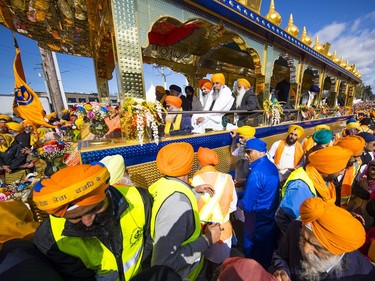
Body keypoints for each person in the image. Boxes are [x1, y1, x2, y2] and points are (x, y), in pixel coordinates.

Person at [32, 163, 153, 281]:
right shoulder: (49, 237)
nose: (88, 222)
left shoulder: (139, 198)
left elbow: (148, 245)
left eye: (95, 209)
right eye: (75, 218)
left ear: (106, 194)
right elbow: (78, 276)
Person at [148, 142, 222, 280]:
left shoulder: (165, 184)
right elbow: (164, 264)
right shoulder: (177, 204)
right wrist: (207, 240)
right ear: (188, 165)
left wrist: (193, 191)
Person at [270, 197, 375, 281]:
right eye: (304, 238)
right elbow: (280, 256)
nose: (305, 249)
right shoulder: (295, 229)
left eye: (317, 247)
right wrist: (280, 270)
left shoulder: (363, 274)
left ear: (338, 251)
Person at [275, 146, 353, 234]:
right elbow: (282, 218)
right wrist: (302, 241)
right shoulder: (301, 187)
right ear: (328, 169)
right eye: (341, 169)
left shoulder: (324, 180)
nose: (342, 173)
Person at [191, 147, 237, 271]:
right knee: (220, 268)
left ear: (200, 162)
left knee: (199, 268)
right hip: (222, 230)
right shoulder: (227, 178)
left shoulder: (193, 181)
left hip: (199, 232)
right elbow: (233, 206)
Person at [239, 138, 280, 268]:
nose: (246, 155)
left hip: (256, 218)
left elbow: (247, 205)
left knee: (251, 251)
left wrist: (234, 200)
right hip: (269, 215)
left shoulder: (256, 173)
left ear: (261, 152)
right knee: (266, 251)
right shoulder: (271, 166)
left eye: (249, 152)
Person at [333, 136, 365, 208]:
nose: (357, 159)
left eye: (359, 156)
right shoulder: (328, 168)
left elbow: (351, 183)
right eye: (355, 156)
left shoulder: (356, 164)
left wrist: (367, 196)